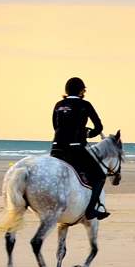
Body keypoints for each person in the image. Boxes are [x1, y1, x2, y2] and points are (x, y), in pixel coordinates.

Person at [50, 77, 111, 220]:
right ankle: (90, 210)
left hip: (56, 148)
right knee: (100, 176)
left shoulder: (58, 104)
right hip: (75, 149)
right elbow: (99, 127)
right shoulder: (85, 105)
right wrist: (89, 133)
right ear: (81, 90)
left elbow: (55, 126)